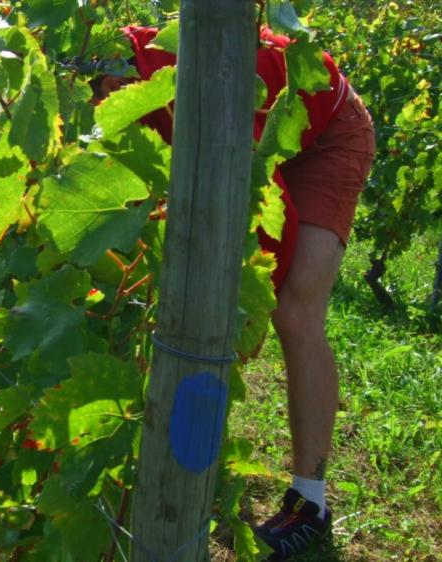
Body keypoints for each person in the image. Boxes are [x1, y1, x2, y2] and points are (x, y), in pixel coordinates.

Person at [93, 26, 375, 560]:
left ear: (112, 78)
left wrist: (241, 308)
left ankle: (310, 503)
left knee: (294, 314)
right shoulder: (113, 72)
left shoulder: (192, 86)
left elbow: (266, 214)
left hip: (329, 131)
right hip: (258, 133)